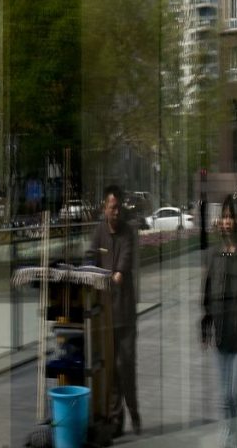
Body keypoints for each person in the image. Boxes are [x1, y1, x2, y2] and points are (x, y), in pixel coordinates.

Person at [201, 195, 237, 448]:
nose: (227, 221)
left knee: (235, 393)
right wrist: (205, 326)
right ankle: (233, 440)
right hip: (221, 335)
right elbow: (207, 292)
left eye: (231, 216)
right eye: (224, 216)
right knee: (226, 397)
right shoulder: (214, 254)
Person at [88, 184, 141, 436]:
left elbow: (123, 265)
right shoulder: (98, 232)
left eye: (119, 207)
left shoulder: (128, 233)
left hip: (125, 313)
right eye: (112, 207)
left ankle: (133, 409)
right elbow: (90, 258)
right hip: (105, 315)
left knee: (125, 366)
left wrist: (114, 275)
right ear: (104, 208)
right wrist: (86, 272)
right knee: (109, 369)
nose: (116, 211)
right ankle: (115, 420)